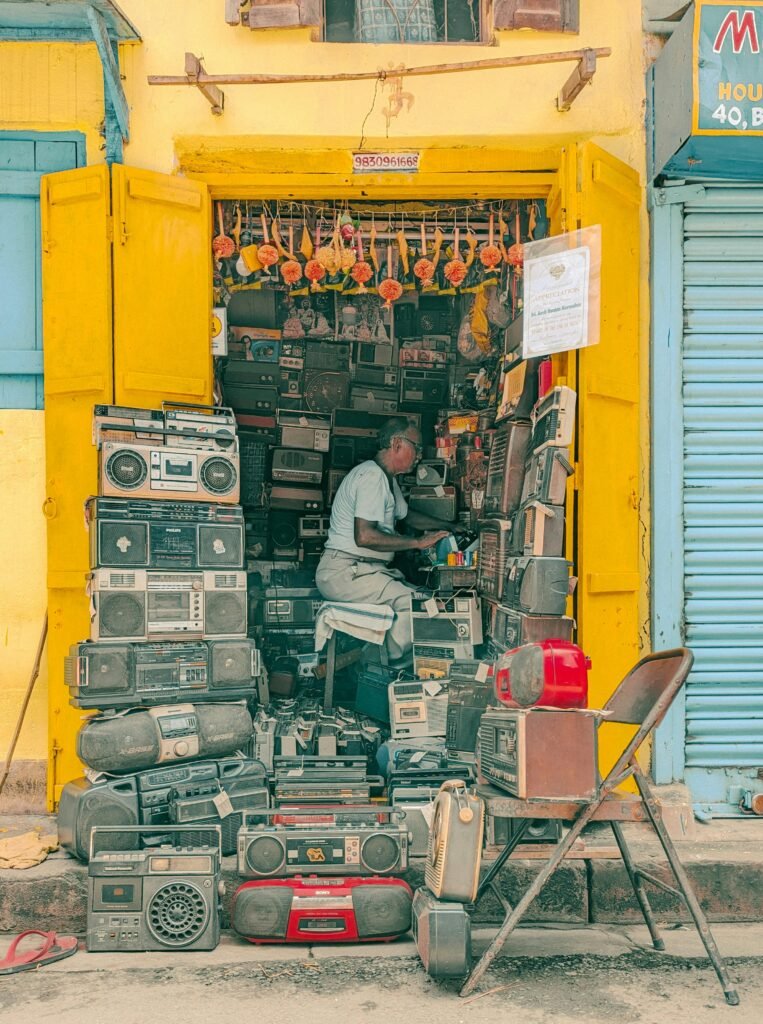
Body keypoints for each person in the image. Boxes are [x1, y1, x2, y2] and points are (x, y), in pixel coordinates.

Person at [316, 417, 462, 670]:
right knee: (423, 608)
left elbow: (406, 516)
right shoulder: (372, 477)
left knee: (427, 601)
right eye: (416, 447)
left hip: (363, 572)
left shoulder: (386, 478)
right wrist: (417, 543)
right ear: (396, 444)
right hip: (346, 573)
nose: (418, 456)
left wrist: (448, 526)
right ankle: (371, 665)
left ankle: (375, 661)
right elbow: (365, 536)